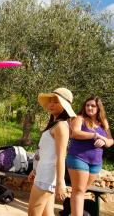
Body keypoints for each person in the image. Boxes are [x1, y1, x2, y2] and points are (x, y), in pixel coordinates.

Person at [28, 88, 76, 216]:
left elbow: (61, 157)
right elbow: (44, 152)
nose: (51, 104)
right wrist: (35, 170)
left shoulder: (61, 126)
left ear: (64, 105)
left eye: (56, 101)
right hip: (43, 174)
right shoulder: (55, 124)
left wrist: (61, 183)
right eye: (50, 100)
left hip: (47, 177)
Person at [66, 96, 113, 216]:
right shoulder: (79, 118)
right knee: (79, 191)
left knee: (81, 191)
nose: (89, 107)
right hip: (78, 158)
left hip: (96, 163)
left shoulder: (103, 122)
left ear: (98, 108)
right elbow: (74, 133)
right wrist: (94, 135)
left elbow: (110, 141)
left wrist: (103, 140)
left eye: (93, 105)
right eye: (87, 105)